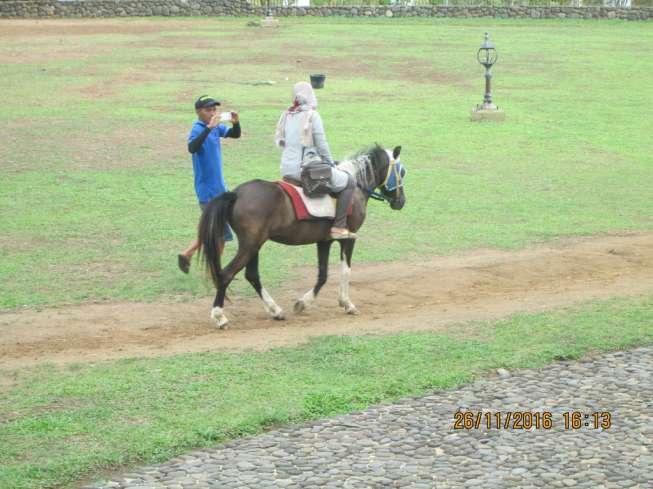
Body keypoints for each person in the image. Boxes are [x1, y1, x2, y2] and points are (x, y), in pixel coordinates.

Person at [274, 81, 356, 240]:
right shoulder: (312, 115)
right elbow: (321, 143)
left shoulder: (286, 115)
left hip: (286, 170)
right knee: (349, 182)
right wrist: (330, 163)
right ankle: (339, 228)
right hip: (306, 169)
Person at [178, 95, 241, 274]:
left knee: (211, 231)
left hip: (219, 189)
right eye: (208, 110)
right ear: (199, 112)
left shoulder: (215, 127)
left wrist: (236, 123)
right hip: (208, 192)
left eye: (214, 109)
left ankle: (187, 254)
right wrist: (208, 128)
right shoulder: (198, 128)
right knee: (220, 236)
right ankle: (215, 270)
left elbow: (235, 135)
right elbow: (192, 147)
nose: (213, 112)